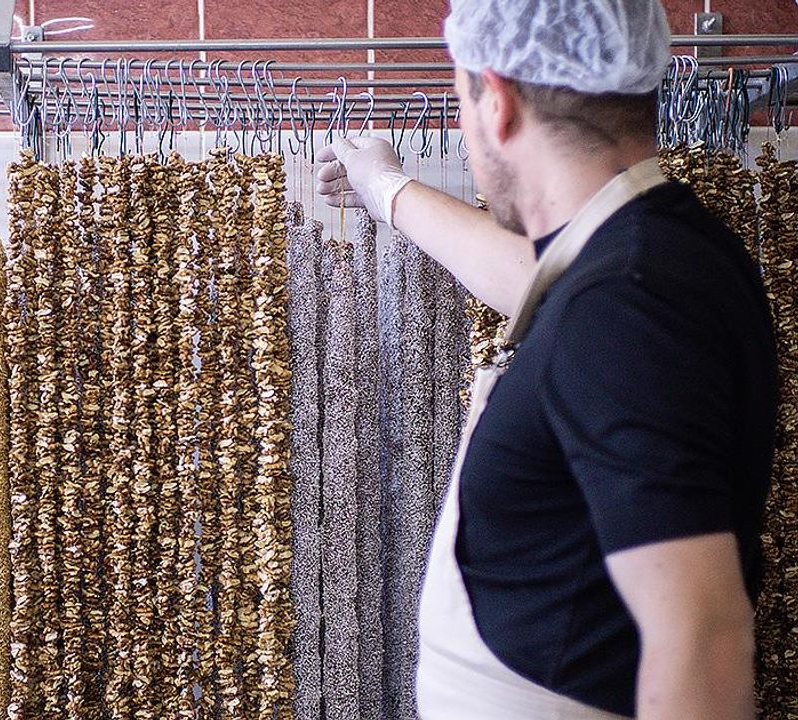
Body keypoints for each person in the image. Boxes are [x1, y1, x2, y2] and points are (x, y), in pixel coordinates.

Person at [316, 1, 777, 719]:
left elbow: (701, 640)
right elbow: (536, 281)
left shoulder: (630, 300)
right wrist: (387, 191)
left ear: (496, 102)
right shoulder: (638, 255)